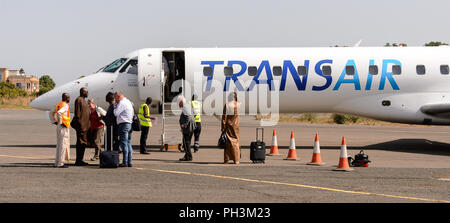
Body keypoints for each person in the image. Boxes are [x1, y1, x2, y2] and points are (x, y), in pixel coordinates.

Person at [113, 91, 134, 167]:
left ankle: (125, 162)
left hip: (123, 124)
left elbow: (116, 113)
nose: (115, 100)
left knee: (124, 143)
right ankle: (129, 161)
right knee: (128, 143)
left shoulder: (121, 103)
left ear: (118, 97)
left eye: (115, 98)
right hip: (129, 124)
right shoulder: (128, 101)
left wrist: (115, 107)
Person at [50, 93, 71, 168]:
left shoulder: (58, 104)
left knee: (59, 144)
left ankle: (57, 162)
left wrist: (54, 121)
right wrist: (62, 122)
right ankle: (60, 163)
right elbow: (59, 113)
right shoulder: (65, 105)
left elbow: (51, 112)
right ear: (66, 98)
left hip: (59, 126)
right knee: (63, 144)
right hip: (63, 127)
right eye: (69, 97)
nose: (69, 99)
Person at [221, 92, 241, 165]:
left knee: (228, 142)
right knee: (236, 142)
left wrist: (223, 127)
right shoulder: (239, 104)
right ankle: (236, 160)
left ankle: (227, 159)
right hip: (236, 125)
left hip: (229, 125)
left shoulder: (227, 105)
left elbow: (224, 117)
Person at [73, 87, 90, 166]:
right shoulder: (79, 100)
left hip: (85, 127)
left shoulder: (84, 100)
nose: (87, 93)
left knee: (83, 144)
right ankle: (78, 160)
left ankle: (81, 159)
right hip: (81, 126)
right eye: (86, 92)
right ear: (83, 92)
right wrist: (79, 125)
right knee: (80, 143)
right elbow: (77, 114)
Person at [178, 95, 195, 161]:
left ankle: (189, 157)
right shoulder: (186, 106)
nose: (178, 104)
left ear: (181, 102)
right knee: (187, 143)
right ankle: (187, 156)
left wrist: (184, 125)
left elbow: (188, 117)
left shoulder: (185, 107)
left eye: (179, 103)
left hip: (188, 128)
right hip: (189, 127)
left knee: (186, 143)